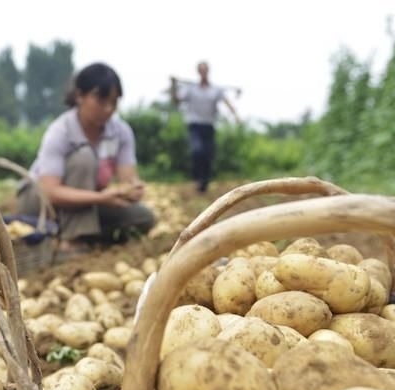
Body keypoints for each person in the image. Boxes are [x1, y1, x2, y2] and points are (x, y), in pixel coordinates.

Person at [16, 62, 156, 259]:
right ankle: (71, 241)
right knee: (84, 157)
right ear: (79, 96)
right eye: (101, 100)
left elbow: (128, 179)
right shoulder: (61, 131)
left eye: (114, 102)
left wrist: (132, 190)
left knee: (142, 217)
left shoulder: (121, 132)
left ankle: (65, 233)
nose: (108, 109)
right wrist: (101, 198)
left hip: (87, 201)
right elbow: (50, 191)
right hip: (39, 201)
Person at [170, 61, 240, 193]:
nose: (203, 72)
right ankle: (196, 179)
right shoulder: (191, 89)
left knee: (208, 155)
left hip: (209, 126)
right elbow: (175, 100)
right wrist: (173, 85)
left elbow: (227, 102)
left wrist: (235, 115)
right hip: (194, 126)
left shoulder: (215, 90)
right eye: (201, 70)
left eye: (205, 70)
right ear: (198, 72)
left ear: (208, 71)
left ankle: (204, 183)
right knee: (197, 151)